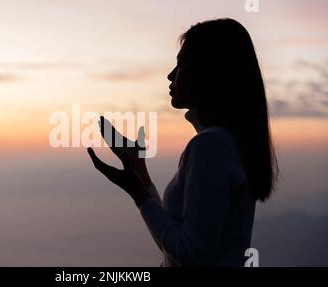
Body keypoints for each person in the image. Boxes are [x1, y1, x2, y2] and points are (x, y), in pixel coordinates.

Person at [86, 18, 278, 267]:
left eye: (181, 64)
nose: (170, 75)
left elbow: (193, 256)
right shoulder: (228, 144)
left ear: (210, 72)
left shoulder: (210, 148)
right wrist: (140, 175)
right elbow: (176, 246)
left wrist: (139, 195)